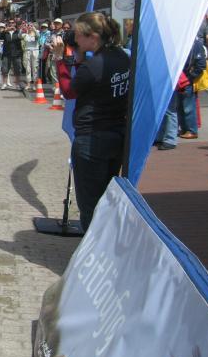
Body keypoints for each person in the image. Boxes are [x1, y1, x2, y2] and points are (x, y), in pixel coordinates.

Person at [52, 12, 129, 231]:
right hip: (117, 134)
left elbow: (69, 91)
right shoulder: (121, 57)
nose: (75, 40)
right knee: (106, 197)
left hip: (91, 139)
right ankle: (106, 242)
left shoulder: (92, 67)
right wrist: (78, 58)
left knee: (89, 204)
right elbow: (92, 81)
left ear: (93, 37)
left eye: (78, 35)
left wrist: (59, 60)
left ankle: (91, 244)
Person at [178, 38, 207, 140]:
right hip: (181, 79)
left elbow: (201, 65)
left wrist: (190, 77)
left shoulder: (196, 44)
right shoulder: (183, 42)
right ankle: (185, 129)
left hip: (187, 79)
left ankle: (191, 130)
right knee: (181, 107)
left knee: (188, 107)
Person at [0, 19, 25, 92]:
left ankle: (17, 84)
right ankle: (4, 83)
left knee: (17, 70)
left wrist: (18, 30)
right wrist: (5, 30)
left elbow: (22, 36)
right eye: (9, 23)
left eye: (12, 23)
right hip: (7, 53)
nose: (11, 24)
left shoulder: (18, 32)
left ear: (15, 24)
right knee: (5, 69)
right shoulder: (6, 32)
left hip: (16, 54)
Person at [22, 23, 40, 90]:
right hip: (27, 51)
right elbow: (19, 36)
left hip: (35, 51)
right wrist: (22, 29)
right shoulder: (25, 34)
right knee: (28, 68)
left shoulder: (36, 32)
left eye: (31, 26)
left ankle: (35, 84)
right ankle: (28, 84)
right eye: (28, 26)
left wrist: (34, 29)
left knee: (35, 68)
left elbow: (38, 36)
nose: (30, 27)